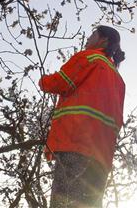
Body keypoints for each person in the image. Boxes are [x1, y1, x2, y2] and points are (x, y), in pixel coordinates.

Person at [39, 25, 126, 208]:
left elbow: (60, 82)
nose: (88, 38)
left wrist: (43, 81)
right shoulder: (118, 79)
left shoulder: (88, 58)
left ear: (103, 40)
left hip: (76, 144)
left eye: (92, 34)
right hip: (102, 157)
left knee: (64, 202)